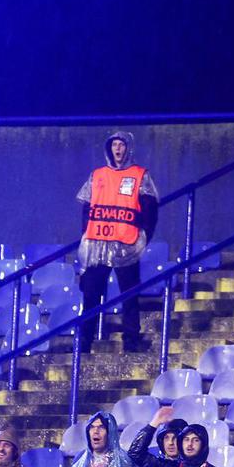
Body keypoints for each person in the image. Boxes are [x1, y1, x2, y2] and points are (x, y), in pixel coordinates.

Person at [76, 130, 159, 354]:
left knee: (129, 294)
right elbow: (86, 209)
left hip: (126, 244)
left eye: (122, 145)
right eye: (114, 145)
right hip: (98, 244)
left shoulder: (140, 175)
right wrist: (86, 235)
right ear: (109, 148)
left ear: (128, 148)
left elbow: (151, 210)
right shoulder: (98, 175)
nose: (118, 149)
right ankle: (85, 341)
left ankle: (131, 339)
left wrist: (143, 238)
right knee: (91, 294)